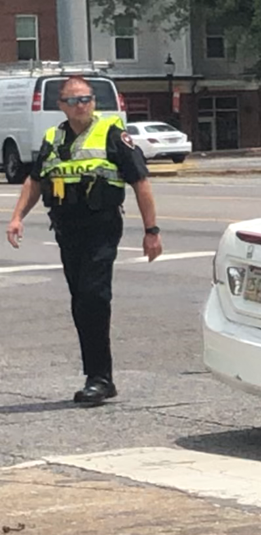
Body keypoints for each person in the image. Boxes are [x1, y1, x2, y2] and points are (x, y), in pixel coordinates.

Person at [5, 75, 163, 405]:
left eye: (86, 99)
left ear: (94, 102)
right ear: (61, 106)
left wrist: (151, 232)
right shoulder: (54, 137)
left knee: (93, 296)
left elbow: (141, 182)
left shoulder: (113, 134)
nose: (81, 105)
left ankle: (100, 378)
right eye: (73, 100)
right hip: (67, 229)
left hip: (101, 227)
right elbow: (35, 181)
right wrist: (17, 217)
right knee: (81, 301)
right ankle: (98, 375)